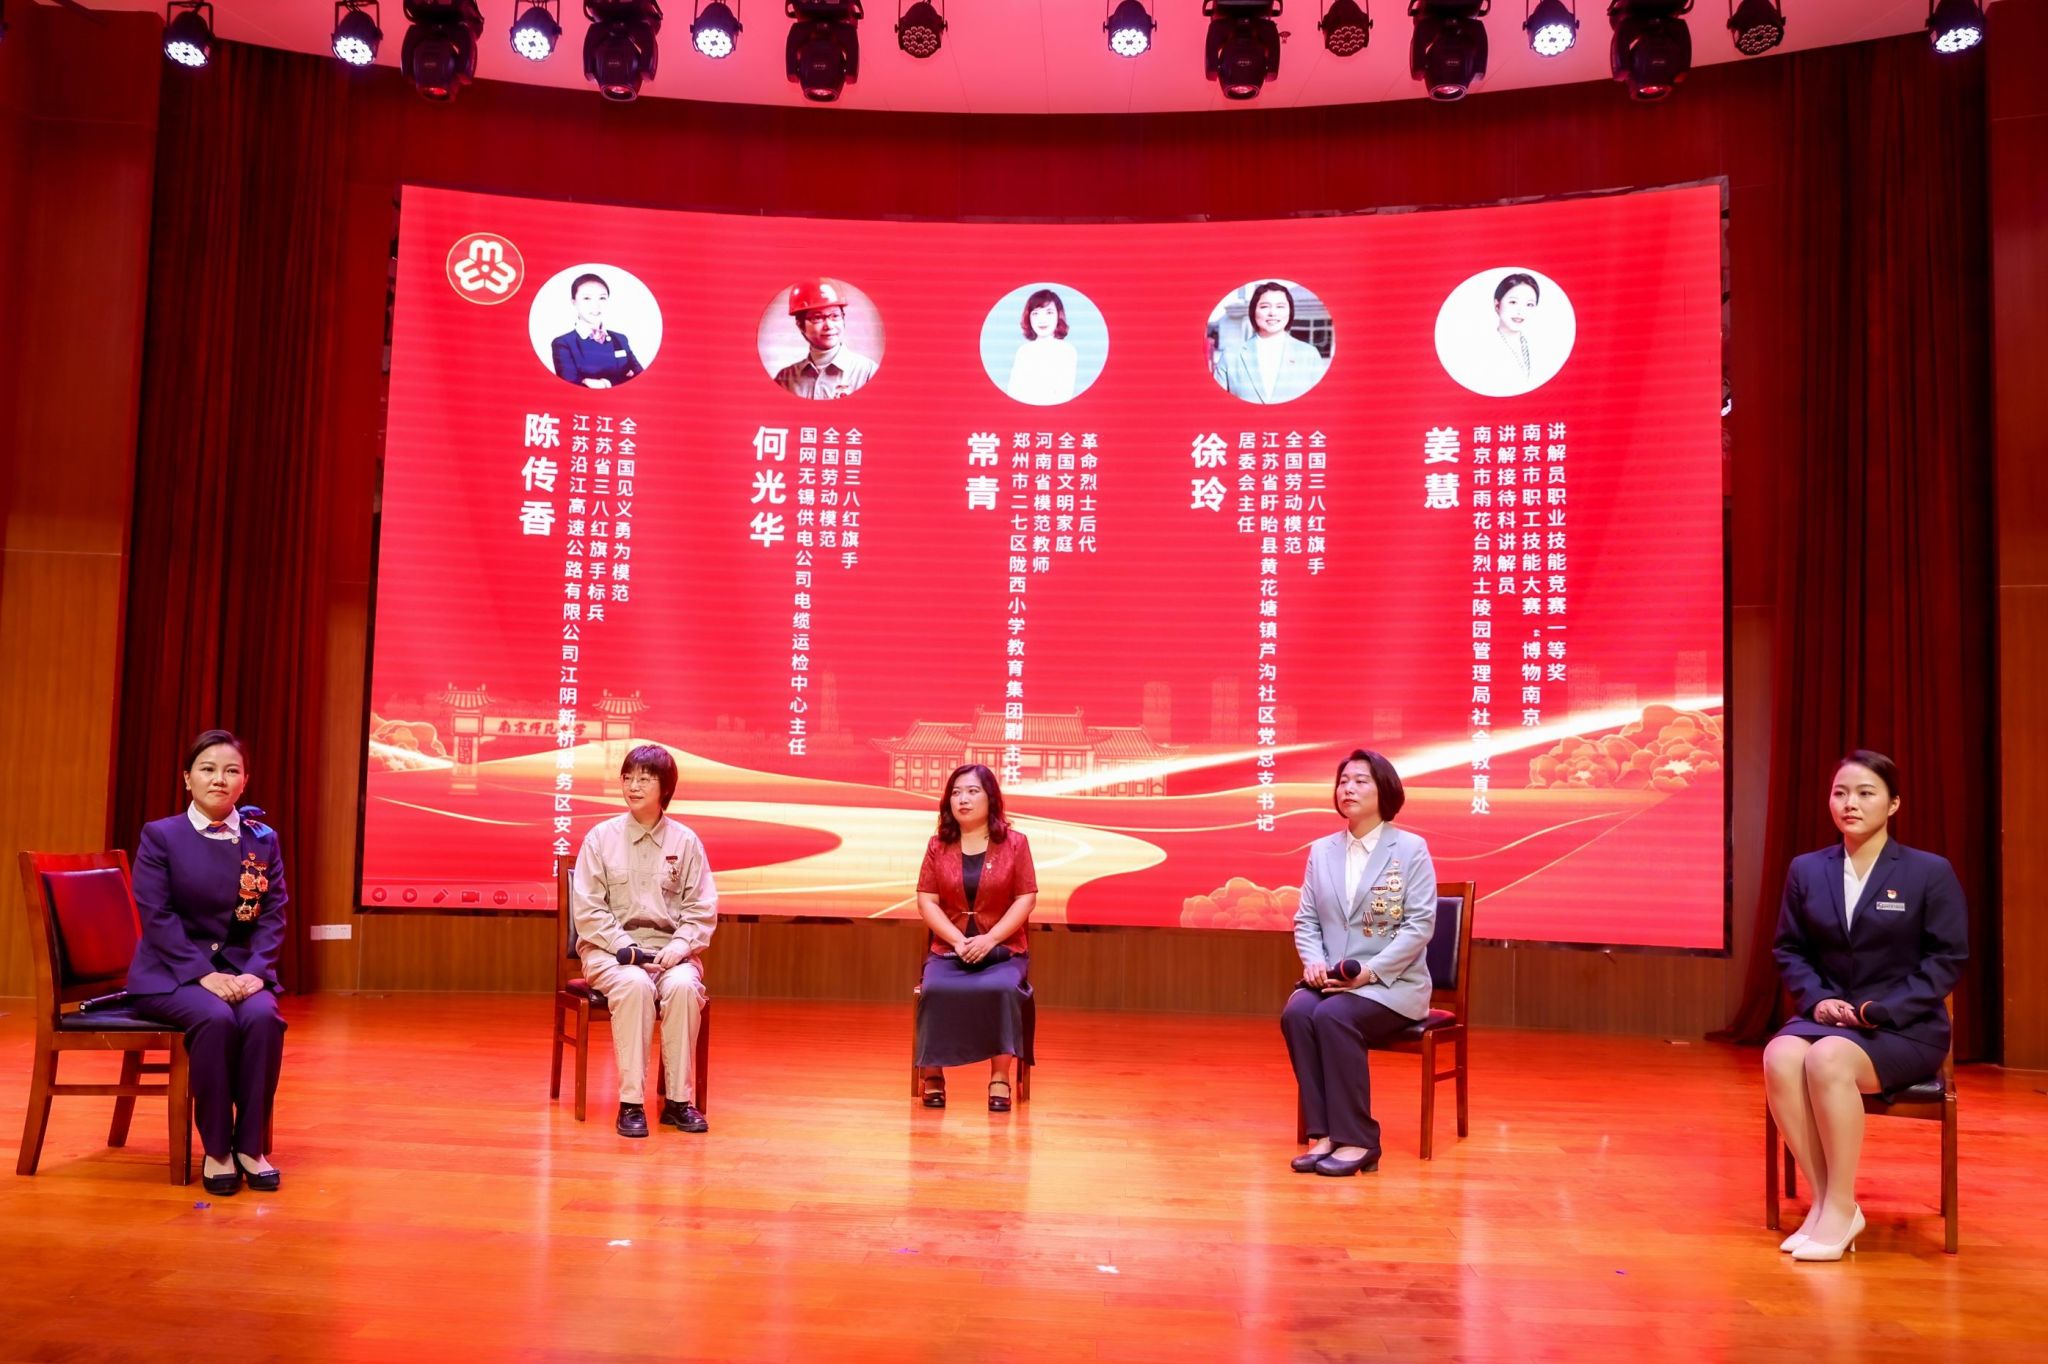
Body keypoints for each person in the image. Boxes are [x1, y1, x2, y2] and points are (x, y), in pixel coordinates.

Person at [1762, 750, 1968, 1261]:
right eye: (1840, 793)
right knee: (1780, 1055)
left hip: (1903, 1027)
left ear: (1893, 804)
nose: (1849, 803)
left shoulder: (1928, 872)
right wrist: (1819, 1000)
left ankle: (1838, 1206)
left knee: (1827, 1058)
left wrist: (1881, 1009)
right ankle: (1829, 1203)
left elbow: (1946, 959)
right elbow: (1790, 949)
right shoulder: (1807, 869)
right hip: (1828, 1017)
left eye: (1864, 793)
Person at [126, 729, 289, 1197]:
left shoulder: (262, 839)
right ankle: (217, 1149)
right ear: (187, 778)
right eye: (208, 769)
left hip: (241, 973)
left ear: (245, 782)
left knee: (263, 1018)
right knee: (215, 1019)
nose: (220, 779)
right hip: (171, 974)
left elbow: (273, 913)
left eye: (231, 771)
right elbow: (156, 916)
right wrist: (203, 974)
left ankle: (250, 1146)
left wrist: (255, 971)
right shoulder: (161, 836)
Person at [1280, 749, 1436, 1176]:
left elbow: (1420, 924)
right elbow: (1307, 919)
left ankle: (1360, 1140)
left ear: (1384, 790)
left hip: (1391, 984)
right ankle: (1325, 1133)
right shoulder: (1322, 850)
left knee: (1333, 1016)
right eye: (1343, 781)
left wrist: (1371, 971)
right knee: (1298, 1012)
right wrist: (1314, 962)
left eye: (1360, 781)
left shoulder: (1410, 849)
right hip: (1335, 980)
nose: (1348, 788)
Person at [570, 744, 717, 1138]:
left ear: (665, 788)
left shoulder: (686, 842)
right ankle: (631, 1103)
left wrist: (679, 947)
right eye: (627, 778)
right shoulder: (600, 838)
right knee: (635, 985)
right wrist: (628, 950)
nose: (633, 786)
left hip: (670, 952)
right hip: (611, 952)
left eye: (644, 779)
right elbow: (588, 910)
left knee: (684, 987)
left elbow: (701, 908)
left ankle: (678, 1102)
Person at [913, 764, 1037, 1112]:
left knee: (1002, 990)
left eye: (972, 791)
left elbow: (1026, 898)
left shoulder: (1015, 844)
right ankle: (933, 1074)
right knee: (935, 989)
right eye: (955, 793)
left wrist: (990, 939)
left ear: (990, 798)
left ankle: (999, 1077)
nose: (962, 799)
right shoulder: (938, 845)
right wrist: (956, 941)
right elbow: (926, 900)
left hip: (1002, 950)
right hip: (949, 949)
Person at [1213, 281, 1327, 404]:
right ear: (1253, 311)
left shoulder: (1309, 355)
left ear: (1290, 311)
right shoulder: (1230, 356)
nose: (1272, 313)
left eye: (1280, 306)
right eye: (1264, 306)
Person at [772, 278, 879, 399]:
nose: (829, 325)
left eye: (835, 316)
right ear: (800, 325)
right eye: (817, 317)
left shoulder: (867, 373)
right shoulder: (785, 379)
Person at [550, 272, 645, 389]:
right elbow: (571, 388)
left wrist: (605, 384)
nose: (596, 305)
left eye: (602, 298)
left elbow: (640, 378)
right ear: (574, 302)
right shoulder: (563, 343)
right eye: (587, 298)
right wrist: (623, 378)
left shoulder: (620, 339)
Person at [1004, 288, 1079, 405]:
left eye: (1049, 312)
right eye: (1035, 313)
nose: (1042, 319)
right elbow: (1013, 391)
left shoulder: (1066, 351)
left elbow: (1064, 395)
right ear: (1029, 317)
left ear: (1059, 315)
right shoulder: (1023, 351)